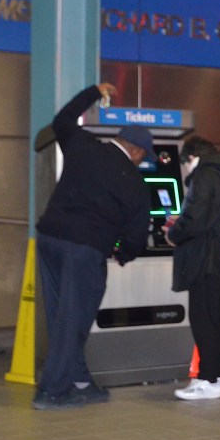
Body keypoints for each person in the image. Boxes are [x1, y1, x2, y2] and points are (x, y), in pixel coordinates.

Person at [33, 83, 152, 410]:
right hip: (83, 250)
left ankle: (81, 381)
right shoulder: (134, 182)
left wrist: (93, 92)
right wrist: (123, 254)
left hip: (49, 239)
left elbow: (62, 120)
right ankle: (52, 392)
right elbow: (137, 234)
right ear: (138, 152)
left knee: (62, 316)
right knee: (75, 320)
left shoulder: (84, 145)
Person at [166, 136, 220, 400]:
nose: (186, 171)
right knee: (217, 321)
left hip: (205, 262)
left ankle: (207, 379)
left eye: (185, 165)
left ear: (191, 158)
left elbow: (195, 219)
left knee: (203, 321)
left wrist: (173, 233)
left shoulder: (203, 176)